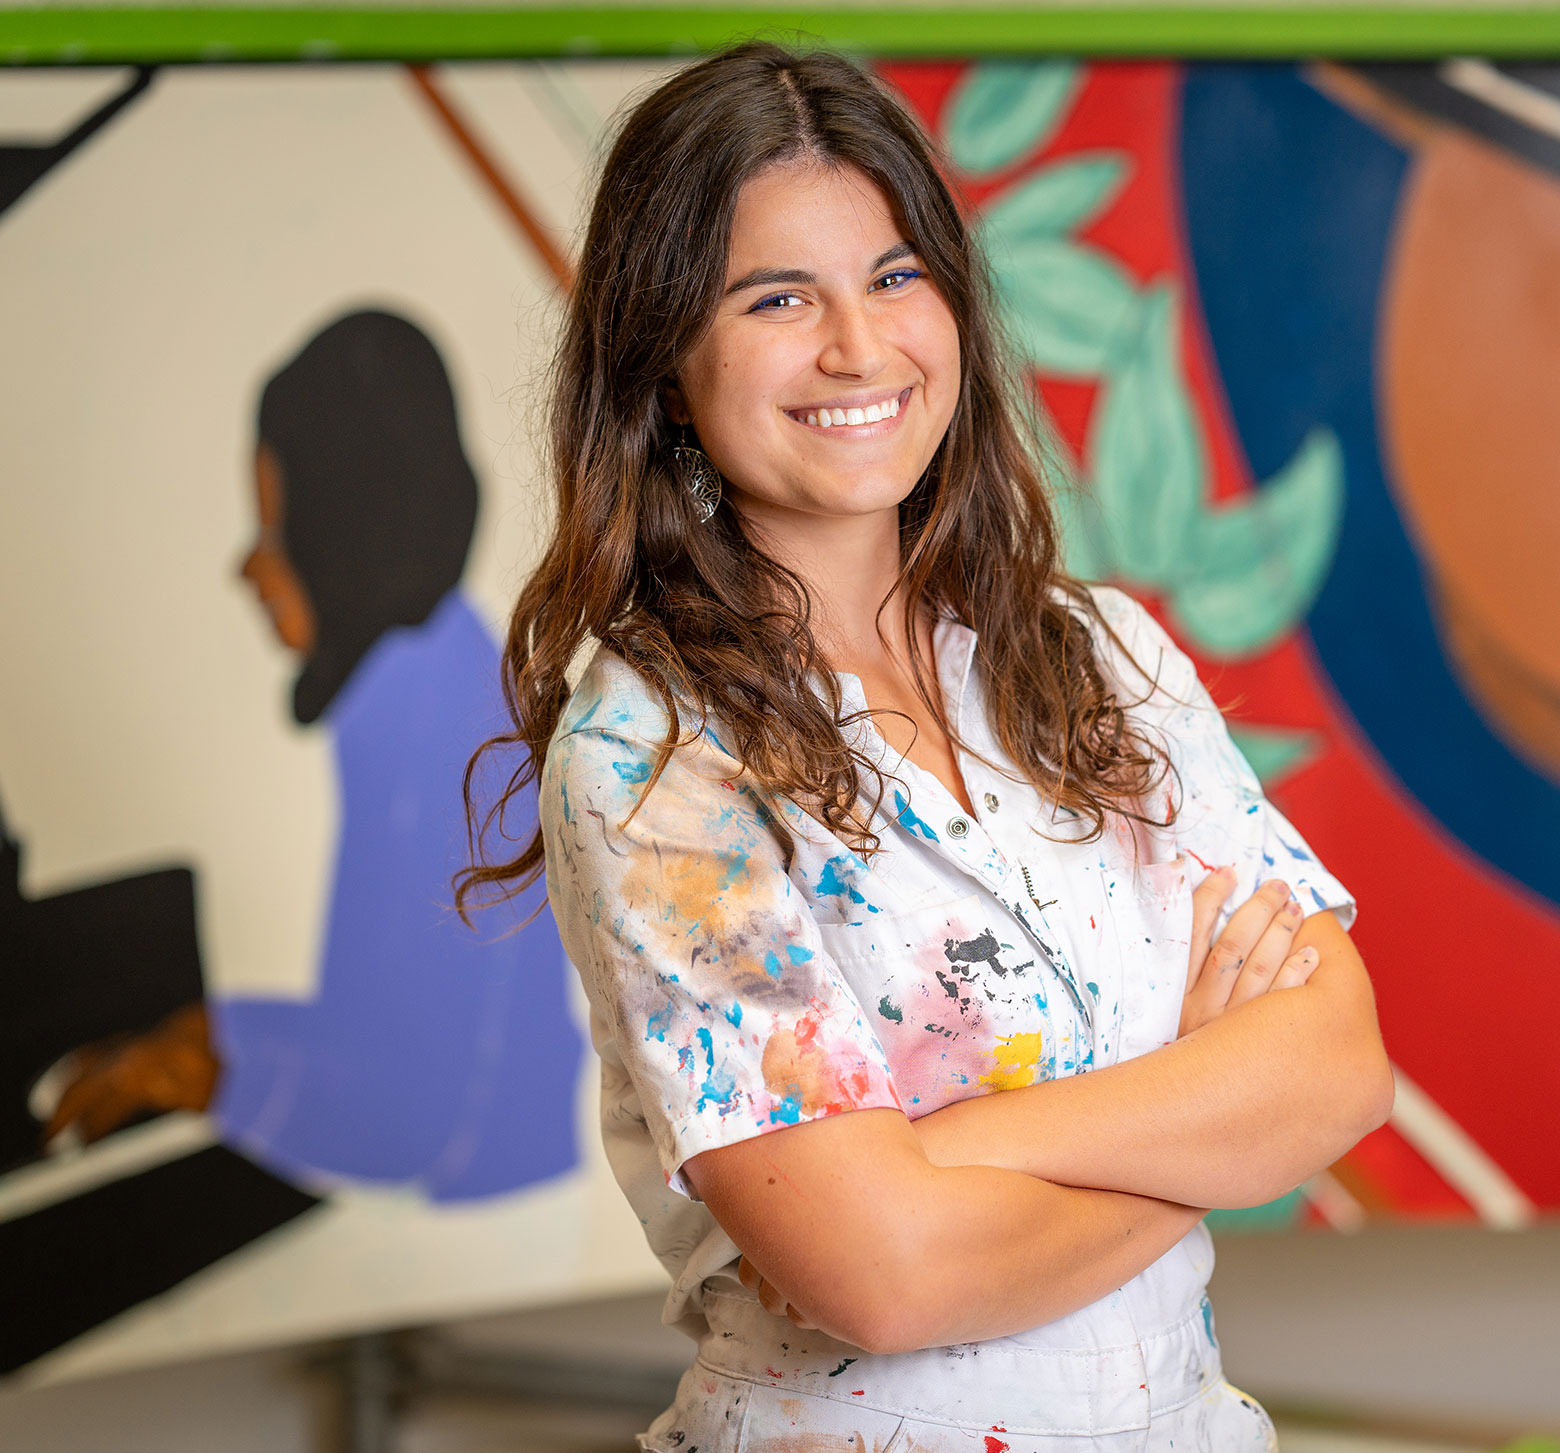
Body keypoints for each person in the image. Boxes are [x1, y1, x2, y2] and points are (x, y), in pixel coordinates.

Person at [460, 42, 1391, 1450]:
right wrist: (1213, 1120)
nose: (858, 346)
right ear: (662, 365)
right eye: (780, 298)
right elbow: (883, 1276)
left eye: (897, 277)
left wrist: (953, 1151)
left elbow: (1337, 1069)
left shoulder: (1104, 659)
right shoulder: (654, 761)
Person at [45, 310, 583, 1203]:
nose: (248, 567)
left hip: (488, 1205)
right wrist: (207, 1035)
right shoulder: (430, 679)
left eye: (273, 526)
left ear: (342, 532)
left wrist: (204, 1075)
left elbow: (404, 1113)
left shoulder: (437, 728)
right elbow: (375, 1027)